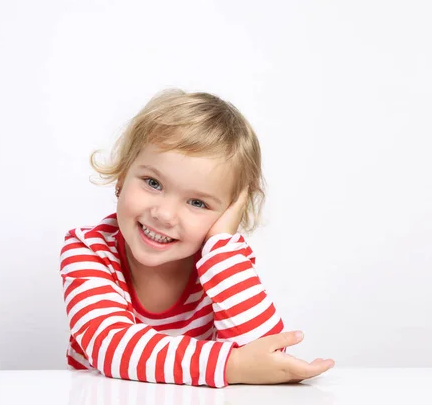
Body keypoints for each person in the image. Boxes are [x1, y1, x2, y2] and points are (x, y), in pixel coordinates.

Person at [59, 89, 335, 387]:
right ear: (123, 176)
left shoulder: (223, 262)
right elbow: (112, 348)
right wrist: (234, 366)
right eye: (153, 183)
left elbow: (267, 355)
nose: (164, 215)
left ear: (229, 211)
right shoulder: (89, 250)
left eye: (197, 203)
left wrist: (221, 248)